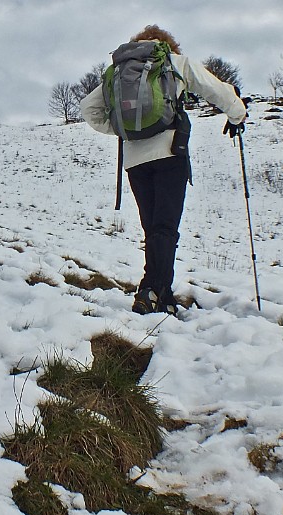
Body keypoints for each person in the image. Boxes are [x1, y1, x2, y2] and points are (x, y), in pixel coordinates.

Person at [81, 25, 247, 315]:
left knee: (152, 227)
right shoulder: (173, 62)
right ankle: (155, 290)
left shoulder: (121, 70)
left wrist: (123, 130)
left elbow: (88, 107)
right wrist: (238, 114)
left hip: (135, 161)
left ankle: (156, 290)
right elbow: (216, 89)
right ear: (169, 44)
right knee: (165, 228)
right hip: (170, 153)